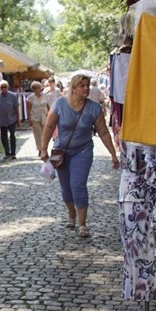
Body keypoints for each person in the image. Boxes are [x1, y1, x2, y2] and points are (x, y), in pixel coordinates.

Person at [39, 73, 120, 238]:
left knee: (78, 185)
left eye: (87, 85)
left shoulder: (93, 108)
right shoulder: (60, 104)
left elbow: (103, 133)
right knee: (66, 189)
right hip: (61, 152)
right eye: (82, 86)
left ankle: (83, 224)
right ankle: (71, 214)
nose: (85, 88)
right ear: (73, 89)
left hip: (83, 151)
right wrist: (43, 148)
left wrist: (113, 153)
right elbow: (48, 127)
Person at [0, 80, 20, 159]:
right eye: (2, 87)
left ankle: (13, 153)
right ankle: (7, 152)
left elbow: (16, 108)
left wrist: (18, 120)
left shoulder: (13, 96)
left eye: (5, 87)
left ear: (8, 87)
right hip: (2, 119)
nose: (3, 88)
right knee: (4, 137)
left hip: (11, 119)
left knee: (12, 135)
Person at [26, 81, 50, 156]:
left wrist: (50, 117)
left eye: (38, 88)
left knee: (44, 134)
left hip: (44, 117)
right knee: (38, 134)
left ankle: (44, 149)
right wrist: (29, 119)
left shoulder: (45, 96)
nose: (37, 90)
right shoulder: (30, 98)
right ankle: (40, 149)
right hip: (34, 117)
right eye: (35, 88)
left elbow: (48, 107)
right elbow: (28, 109)